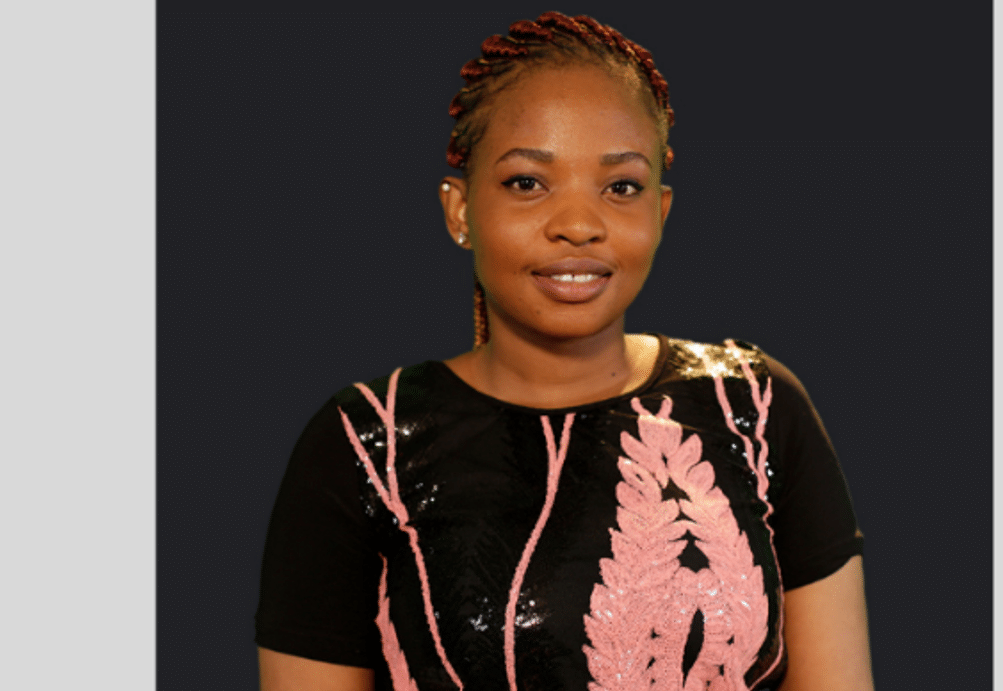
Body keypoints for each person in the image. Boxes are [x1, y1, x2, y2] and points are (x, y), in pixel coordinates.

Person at [254, 11, 873, 691]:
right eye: (527, 183)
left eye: (621, 187)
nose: (579, 225)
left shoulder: (753, 406)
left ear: (661, 212)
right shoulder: (365, 445)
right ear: (460, 210)